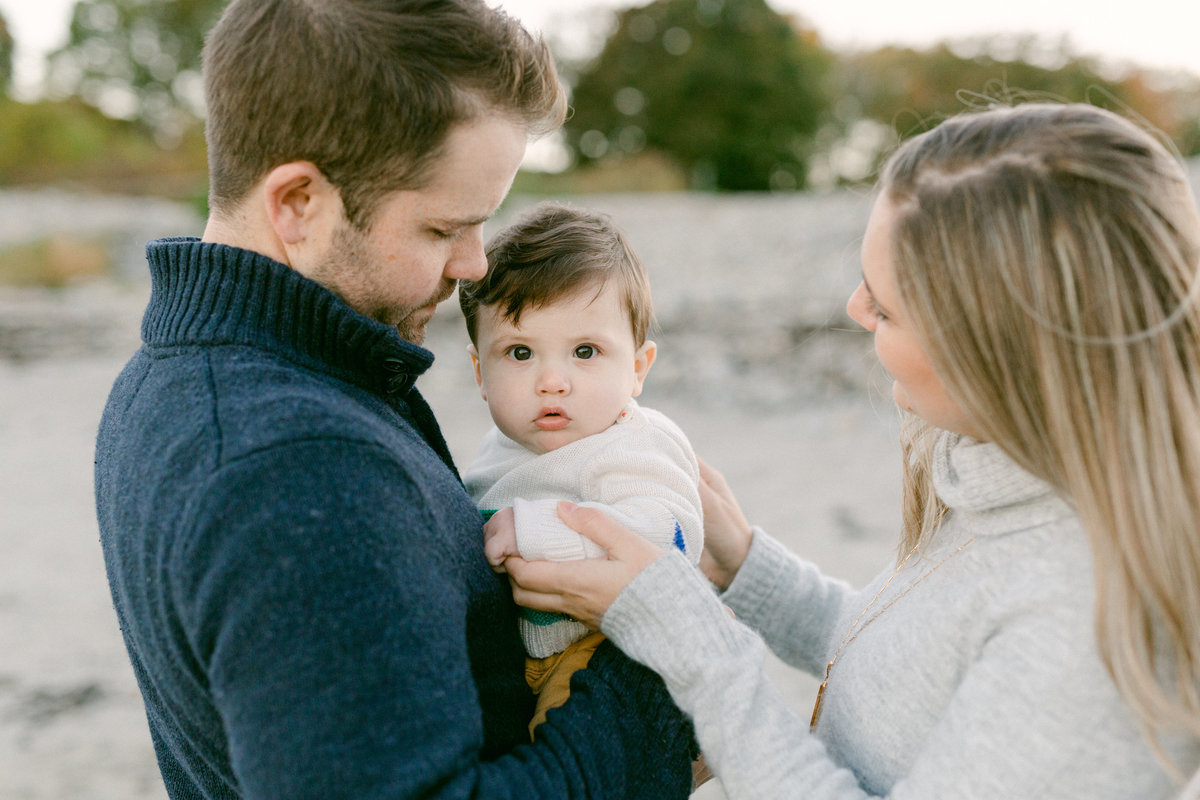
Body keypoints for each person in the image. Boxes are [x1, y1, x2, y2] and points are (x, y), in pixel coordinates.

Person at [502, 102, 1200, 799]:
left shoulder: (1089, 622)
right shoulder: (1004, 477)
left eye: (887, 306)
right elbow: (899, 672)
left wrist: (694, 646)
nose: (854, 308)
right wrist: (747, 563)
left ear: (993, 347)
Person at [92, 2, 697, 798]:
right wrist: (670, 676)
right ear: (299, 204)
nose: (476, 265)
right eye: (445, 228)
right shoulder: (293, 468)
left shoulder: (173, 378)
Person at [457, 202, 704, 735]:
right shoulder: (497, 448)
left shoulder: (634, 443)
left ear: (638, 368)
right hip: (513, 655)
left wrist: (540, 529)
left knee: (565, 748)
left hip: (600, 647)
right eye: (519, 353)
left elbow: (670, 535)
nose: (552, 380)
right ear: (480, 372)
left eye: (585, 351)